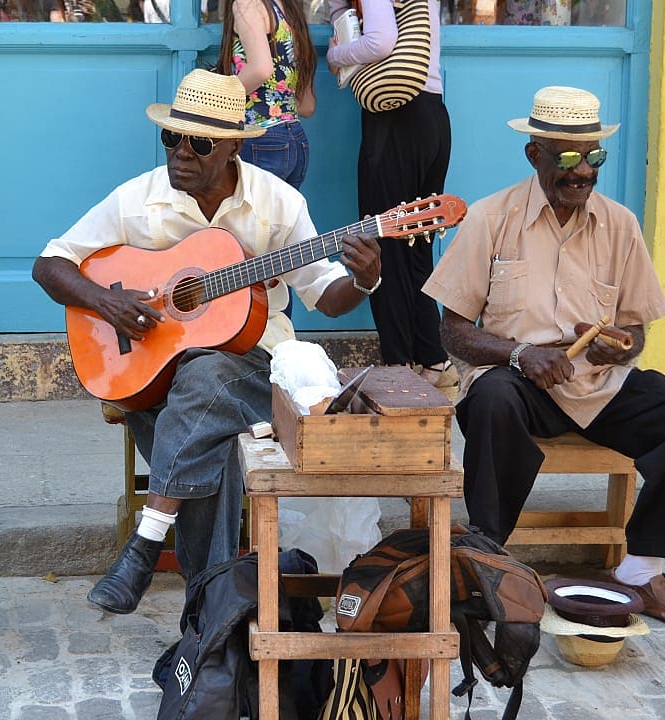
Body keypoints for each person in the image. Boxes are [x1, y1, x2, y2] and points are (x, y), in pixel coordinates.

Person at [32, 69, 381, 614]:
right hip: (155, 377)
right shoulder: (137, 198)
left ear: (232, 149)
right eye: (171, 138)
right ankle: (210, 611)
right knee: (207, 433)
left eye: (197, 143)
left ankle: (149, 546)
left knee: (209, 375)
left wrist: (362, 280)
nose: (180, 155)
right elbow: (50, 264)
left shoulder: (278, 203)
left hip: (254, 369)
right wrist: (109, 304)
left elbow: (323, 293)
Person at [422, 86, 665, 629]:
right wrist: (521, 353)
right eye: (569, 158)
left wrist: (618, 344)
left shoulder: (620, 224)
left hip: (597, 386)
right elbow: (453, 332)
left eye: (593, 158)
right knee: (491, 401)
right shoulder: (490, 218)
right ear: (535, 155)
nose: (582, 172)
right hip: (520, 382)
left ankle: (642, 570)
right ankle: (490, 561)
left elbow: (635, 330)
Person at [326, 0, 455, 387]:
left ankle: (399, 365)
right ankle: (433, 359)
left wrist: (335, 52)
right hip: (431, 114)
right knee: (417, 244)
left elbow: (381, 42)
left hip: (395, 119)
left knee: (383, 243)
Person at [215, 0, 317, 189]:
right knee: (281, 217)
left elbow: (261, 69)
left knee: (249, 217)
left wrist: (215, 100)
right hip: (296, 139)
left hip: (259, 137)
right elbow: (307, 106)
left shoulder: (248, 5)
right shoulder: (291, 12)